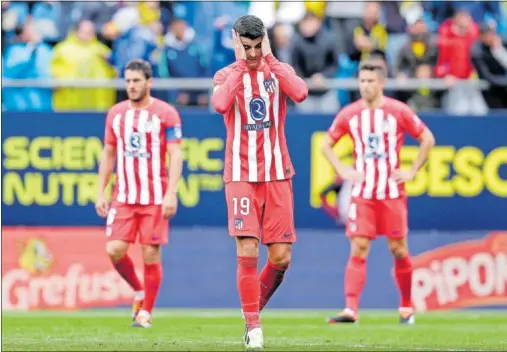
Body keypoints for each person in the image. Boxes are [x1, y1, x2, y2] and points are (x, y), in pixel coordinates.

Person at [211, 15, 308, 350]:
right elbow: (220, 103)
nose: (252, 53)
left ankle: (249, 308)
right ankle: (254, 328)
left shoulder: (276, 71)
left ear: (264, 40)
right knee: (247, 248)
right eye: (246, 46)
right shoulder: (226, 75)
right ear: (236, 41)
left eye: (257, 46)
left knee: (281, 258)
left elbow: (301, 92)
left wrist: (269, 57)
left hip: (277, 173)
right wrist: (241, 64)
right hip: (240, 175)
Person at [321, 58, 435, 324]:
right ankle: (350, 309)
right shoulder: (350, 114)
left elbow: (427, 138)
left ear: (382, 83)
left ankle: (406, 307)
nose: (365, 86)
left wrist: (412, 170)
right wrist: (343, 169)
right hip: (363, 193)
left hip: (391, 193)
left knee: (398, 248)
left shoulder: (398, 111)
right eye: (362, 81)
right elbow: (326, 144)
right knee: (358, 247)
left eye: (371, 81)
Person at [95, 59, 183, 328]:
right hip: (124, 196)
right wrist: (101, 191)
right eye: (128, 81)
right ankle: (139, 290)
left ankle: (146, 312)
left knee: (150, 255)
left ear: (149, 82)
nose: (131, 86)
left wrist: (171, 193)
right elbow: (109, 153)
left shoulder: (166, 113)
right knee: (115, 250)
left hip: (154, 196)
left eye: (136, 81)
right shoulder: (116, 114)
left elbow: (176, 153)